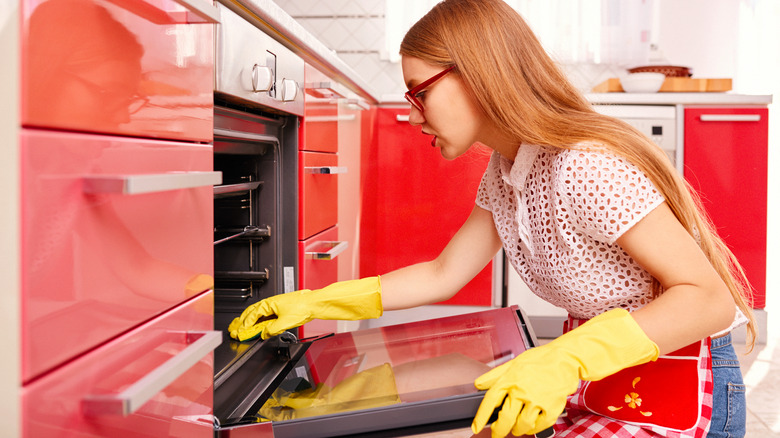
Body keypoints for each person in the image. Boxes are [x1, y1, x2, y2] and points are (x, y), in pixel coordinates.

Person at [229, 0, 756, 437]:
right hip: (603, 374)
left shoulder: (586, 165)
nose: (412, 114)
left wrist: (567, 359)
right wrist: (317, 301)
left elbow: (710, 298)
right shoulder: (508, 169)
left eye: (421, 91)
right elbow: (444, 273)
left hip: (673, 380)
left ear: (479, 74)